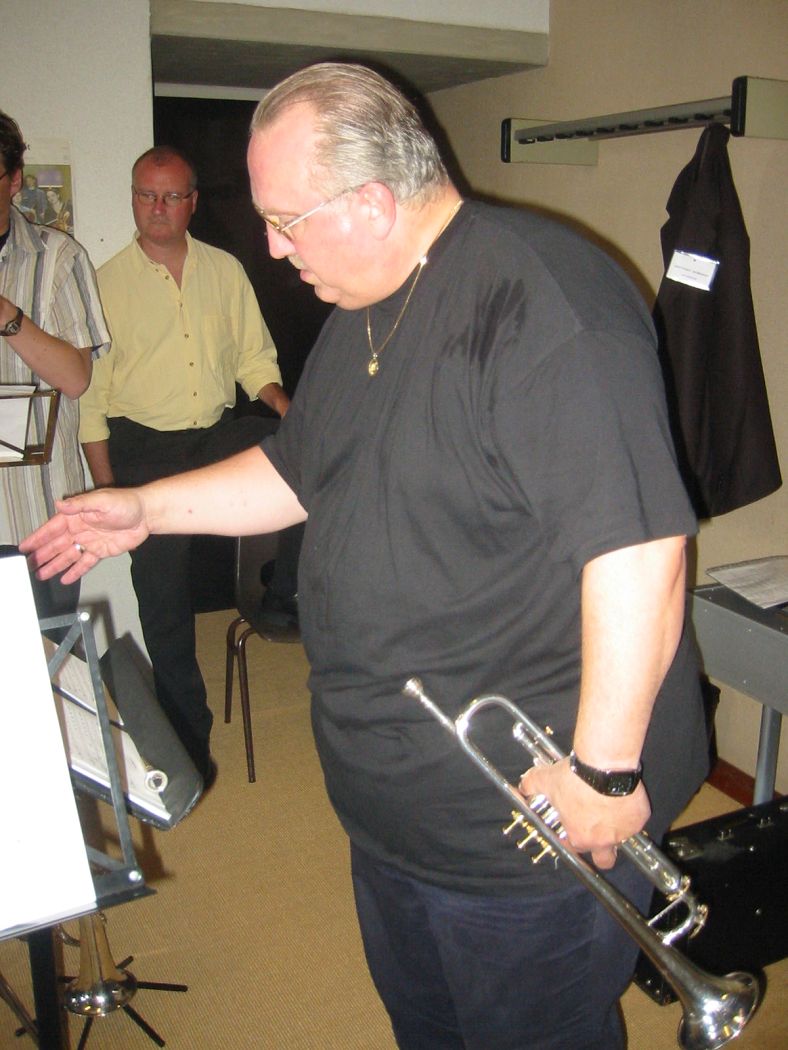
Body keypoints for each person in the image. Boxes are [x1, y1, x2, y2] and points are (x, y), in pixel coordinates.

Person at [22, 64, 709, 1050]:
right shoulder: (363, 309)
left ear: (375, 204)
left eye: (286, 221)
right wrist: (144, 508)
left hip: (521, 834)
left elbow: (640, 550)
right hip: (391, 808)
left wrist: (601, 778)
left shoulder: (546, 305)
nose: (272, 246)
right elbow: (299, 467)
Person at [78, 144, 297, 784]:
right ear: (133, 199)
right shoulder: (103, 284)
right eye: (147, 195)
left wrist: (291, 413)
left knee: (300, 456)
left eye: (172, 196)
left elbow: (254, 361)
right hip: (143, 448)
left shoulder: (225, 271)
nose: (158, 208)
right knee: (164, 604)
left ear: (192, 202)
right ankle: (188, 742)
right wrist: (109, 489)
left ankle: (285, 594)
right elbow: (91, 401)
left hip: (212, 435)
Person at [0, 108, 109, 622]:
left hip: (37, 519)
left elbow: (76, 378)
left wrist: (7, 315)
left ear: (14, 180)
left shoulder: (59, 258)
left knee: (44, 664)